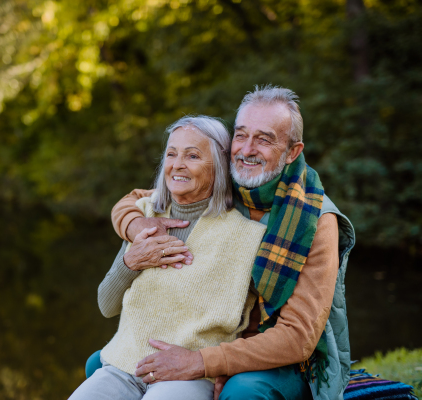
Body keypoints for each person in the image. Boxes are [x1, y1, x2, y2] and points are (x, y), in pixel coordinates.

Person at [96, 85, 355, 400]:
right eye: (241, 135)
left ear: (292, 152)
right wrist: (137, 226)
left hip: (279, 355)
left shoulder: (314, 220)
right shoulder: (230, 178)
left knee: (241, 392)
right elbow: (136, 199)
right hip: (216, 340)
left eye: (264, 139)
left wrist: (207, 362)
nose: (247, 149)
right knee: (99, 363)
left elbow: (297, 337)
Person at [69, 116, 269, 400]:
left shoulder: (247, 236)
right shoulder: (145, 216)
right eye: (171, 154)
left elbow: (255, 323)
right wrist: (131, 263)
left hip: (189, 376)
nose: (177, 164)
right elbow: (106, 305)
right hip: (123, 369)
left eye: (193, 155)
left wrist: (228, 367)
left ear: (219, 166)